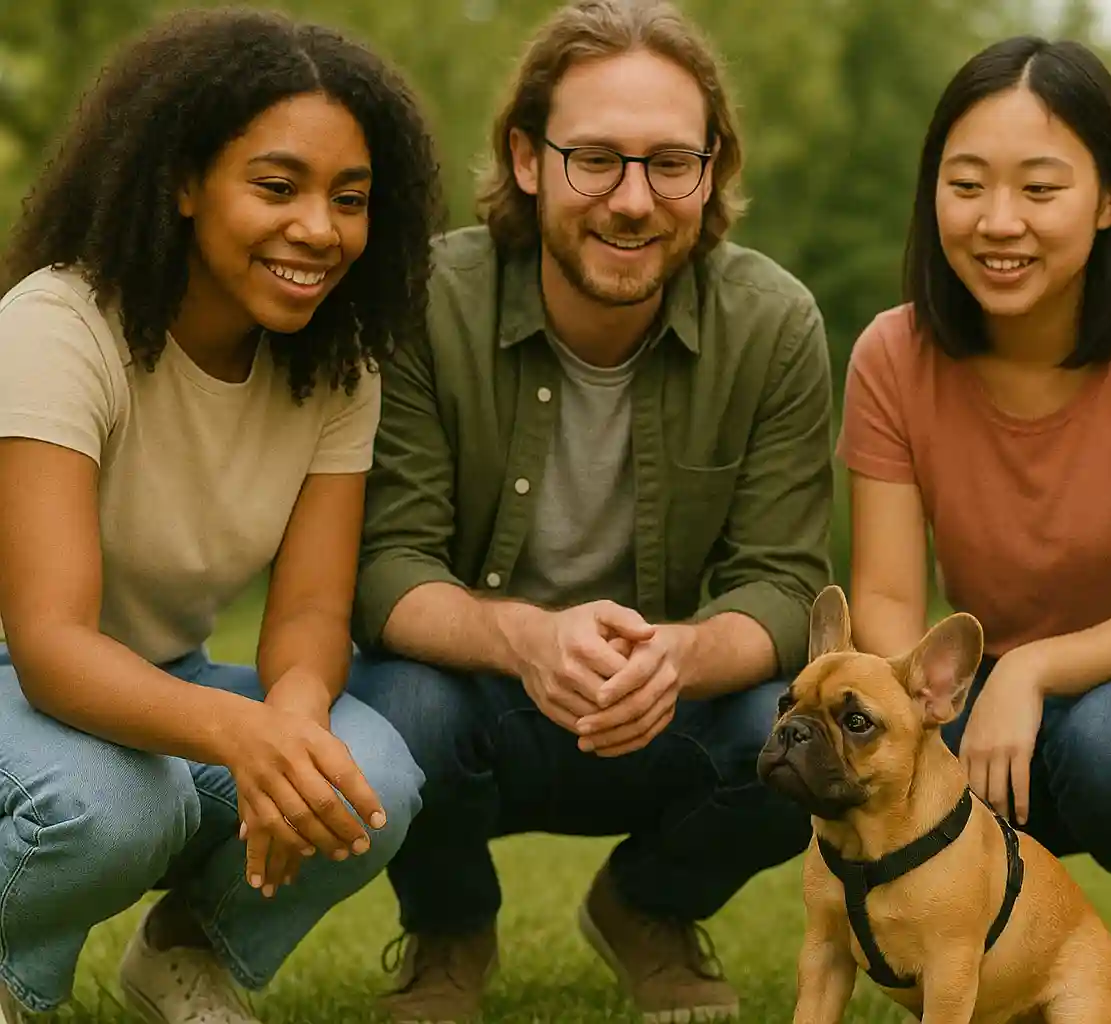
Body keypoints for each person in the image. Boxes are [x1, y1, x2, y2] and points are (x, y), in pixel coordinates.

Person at [342, 0, 834, 1020]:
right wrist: (525, 636)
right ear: (528, 159)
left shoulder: (775, 323)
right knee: (399, 708)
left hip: (666, 705)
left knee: (794, 729)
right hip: (477, 694)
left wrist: (684, 654)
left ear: (711, 170)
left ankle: (647, 906)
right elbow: (387, 566)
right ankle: (447, 928)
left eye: (669, 162)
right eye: (596, 159)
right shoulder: (428, 299)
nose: (633, 200)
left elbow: (782, 583)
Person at [0, 8, 444, 1024]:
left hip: (164, 676)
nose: (319, 230)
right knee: (118, 804)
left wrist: (289, 721)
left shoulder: (338, 361)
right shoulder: (57, 328)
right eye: (277, 187)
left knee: (363, 777)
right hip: (18, 680)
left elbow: (309, 615)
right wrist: (246, 736)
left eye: (350, 198)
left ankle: (186, 952)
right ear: (184, 182)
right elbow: (51, 645)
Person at [836, 34, 1111, 1011]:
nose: (997, 221)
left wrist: (1033, 668)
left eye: (1040, 189)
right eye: (966, 184)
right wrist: (931, 706)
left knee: (1110, 743)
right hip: (964, 701)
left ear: (1110, 198)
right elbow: (886, 598)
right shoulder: (893, 354)